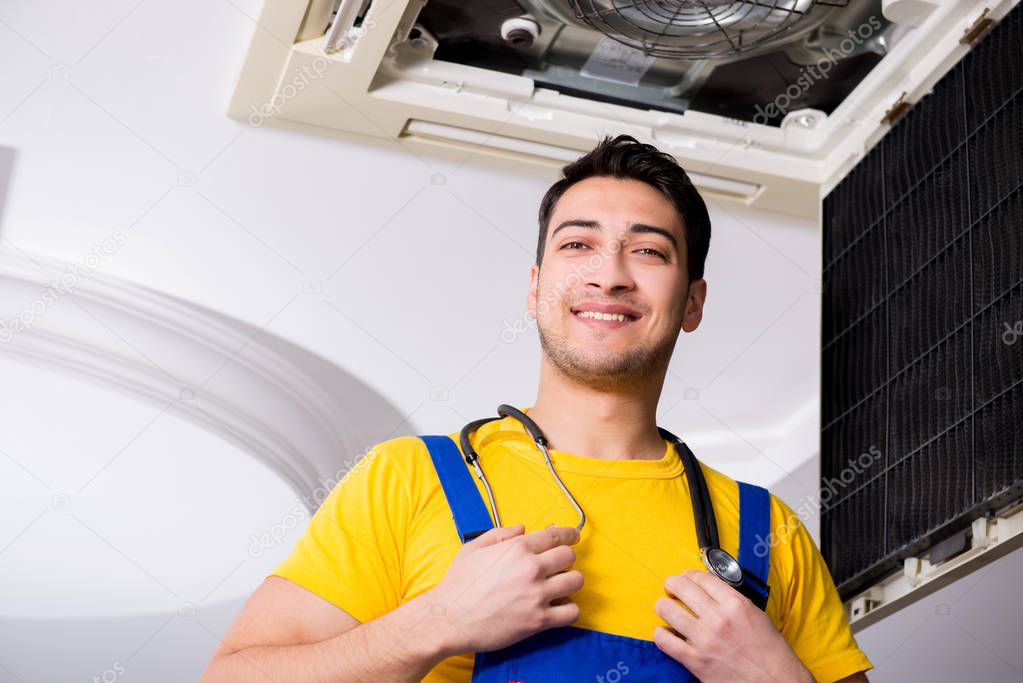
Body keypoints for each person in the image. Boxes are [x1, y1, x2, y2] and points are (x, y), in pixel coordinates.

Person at [200, 135, 874, 682]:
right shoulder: (408, 479)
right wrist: (437, 621)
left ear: (692, 302)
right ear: (535, 287)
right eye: (576, 244)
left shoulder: (766, 533)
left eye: (647, 250)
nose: (609, 272)